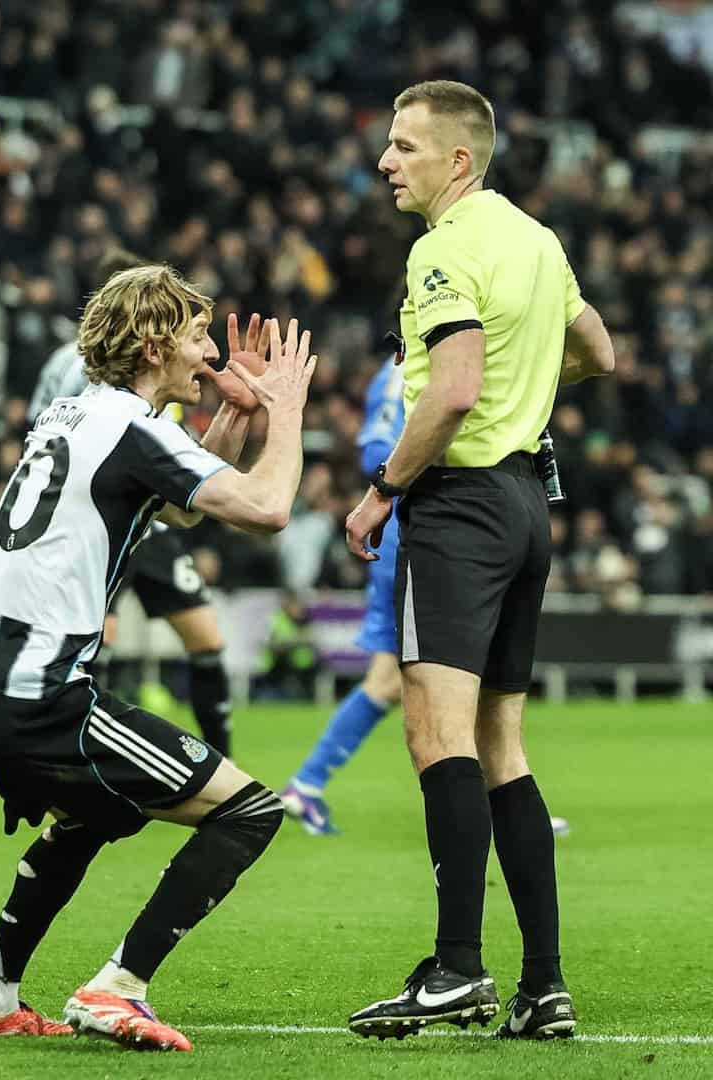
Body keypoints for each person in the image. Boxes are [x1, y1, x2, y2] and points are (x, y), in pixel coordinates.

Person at [0, 265, 315, 1050]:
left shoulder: (77, 414)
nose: (209, 353)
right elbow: (268, 510)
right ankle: (119, 986)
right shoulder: (133, 429)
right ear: (154, 346)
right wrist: (287, 414)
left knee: (96, 812)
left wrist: (235, 418)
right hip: (35, 689)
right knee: (250, 809)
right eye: (196, 336)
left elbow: (173, 505)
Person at [342, 80, 614, 1042]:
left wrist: (382, 488)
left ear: (459, 160)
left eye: (406, 146)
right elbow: (598, 349)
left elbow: (452, 389)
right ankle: (545, 987)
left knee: (436, 736)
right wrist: (528, 383)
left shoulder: (443, 251)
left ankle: (457, 967)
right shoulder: (537, 241)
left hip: (459, 505)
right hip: (527, 503)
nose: (387, 161)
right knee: (504, 748)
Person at [284, 349, 574, 840]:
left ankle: (504, 798)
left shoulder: (436, 359)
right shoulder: (401, 371)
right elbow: (376, 445)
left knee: (441, 675)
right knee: (416, 677)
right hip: (416, 531)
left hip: (447, 525)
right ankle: (504, 800)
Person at [30, 251, 240, 757]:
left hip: (155, 518)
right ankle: (86, 755)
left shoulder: (162, 363)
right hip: (100, 518)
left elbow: (177, 473)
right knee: (96, 641)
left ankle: (222, 760)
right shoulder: (77, 368)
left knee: (207, 639)